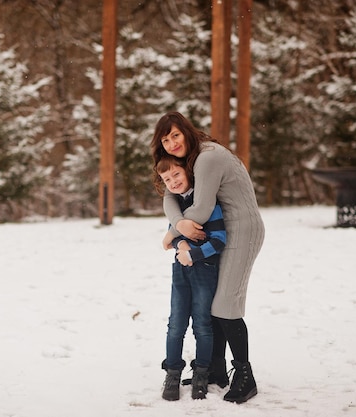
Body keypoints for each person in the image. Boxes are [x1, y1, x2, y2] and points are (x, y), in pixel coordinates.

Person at [150, 111, 265, 404]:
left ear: (186, 131)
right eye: (165, 140)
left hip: (241, 230)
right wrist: (178, 225)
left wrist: (171, 233)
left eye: (175, 135)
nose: (172, 143)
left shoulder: (208, 157)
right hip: (220, 230)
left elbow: (200, 211)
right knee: (214, 303)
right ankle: (215, 370)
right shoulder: (190, 159)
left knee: (226, 305)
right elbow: (169, 195)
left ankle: (245, 375)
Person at [154, 154, 227, 401]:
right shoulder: (176, 205)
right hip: (181, 271)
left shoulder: (207, 202)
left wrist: (194, 254)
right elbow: (172, 235)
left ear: (187, 173)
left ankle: (201, 374)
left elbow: (219, 240)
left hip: (205, 270)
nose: (173, 181)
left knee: (203, 325)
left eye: (176, 174)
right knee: (175, 324)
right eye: (167, 179)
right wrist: (181, 241)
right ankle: (173, 372)